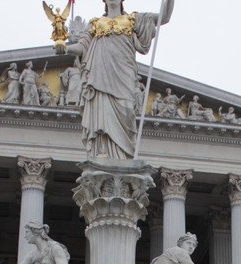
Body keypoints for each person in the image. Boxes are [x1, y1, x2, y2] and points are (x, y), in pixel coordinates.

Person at [58, 0, 175, 159]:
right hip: (100, 78)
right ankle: (103, 154)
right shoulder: (95, 23)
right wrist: (64, 47)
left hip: (124, 78)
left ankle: (123, 158)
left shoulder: (133, 20)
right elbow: (81, 47)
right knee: (103, 117)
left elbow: (164, 17)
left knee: (126, 111)